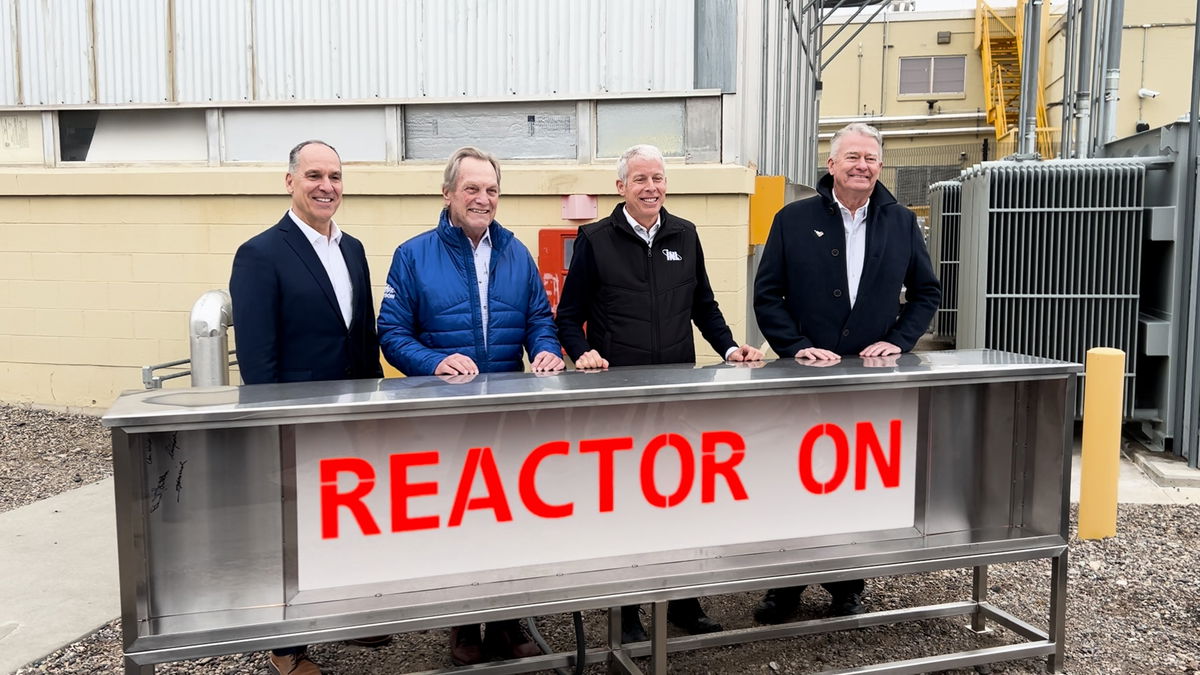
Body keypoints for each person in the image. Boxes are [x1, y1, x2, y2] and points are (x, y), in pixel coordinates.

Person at [554, 143, 763, 641]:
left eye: (659, 178)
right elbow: (567, 315)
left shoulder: (684, 235)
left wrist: (731, 347)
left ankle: (683, 603)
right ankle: (626, 614)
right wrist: (582, 353)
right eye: (641, 179)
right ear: (621, 187)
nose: (652, 187)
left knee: (679, 499)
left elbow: (704, 305)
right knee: (625, 506)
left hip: (676, 395)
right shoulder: (595, 240)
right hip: (618, 401)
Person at [376, 146, 563, 664]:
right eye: (472, 189)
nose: (483, 199)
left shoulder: (516, 254)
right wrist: (434, 362)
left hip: (506, 418)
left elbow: (539, 321)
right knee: (457, 521)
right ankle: (462, 626)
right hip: (447, 418)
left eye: (492, 189)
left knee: (507, 518)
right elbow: (391, 333)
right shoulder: (413, 255)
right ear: (448, 195)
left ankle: (505, 620)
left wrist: (546, 351)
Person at [752, 122, 941, 622]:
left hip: (867, 383)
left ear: (880, 167)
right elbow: (767, 295)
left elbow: (927, 293)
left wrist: (898, 341)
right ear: (831, 164)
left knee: (855, 485)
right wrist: (796, 348)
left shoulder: (901, 222)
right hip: (803, 380)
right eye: (852, 157)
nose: (862, 166)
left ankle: (847, 583)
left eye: (871, 159)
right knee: (792, 482)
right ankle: (784, 587)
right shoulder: (792, 219)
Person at [229, 140, 386, 674]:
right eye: (315, 175)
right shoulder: (260, 254)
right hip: (295, 422)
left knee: (346, 519)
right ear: (289, 181)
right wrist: (274, 426)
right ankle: (286, 650)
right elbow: (257, 359)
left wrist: (373, 409)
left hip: (350, 417)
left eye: (336, 176)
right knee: (293, 536)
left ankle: (344, 619)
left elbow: (362, 337)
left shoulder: (353, 249)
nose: (327, 186)